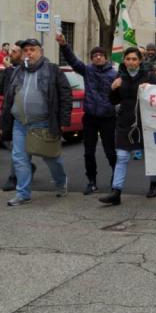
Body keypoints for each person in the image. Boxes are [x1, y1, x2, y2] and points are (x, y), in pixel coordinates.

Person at [0, 38, 72, 206]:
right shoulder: (18, 71)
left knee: (51, 158)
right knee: (19, 158)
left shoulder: (52, 70)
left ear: (40, 52)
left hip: (43, 123)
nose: (29, 53)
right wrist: (4, 122)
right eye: (26, 50)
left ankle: (61, 182)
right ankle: (23, 194)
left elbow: (66, 95)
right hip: (20, 123)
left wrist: (63, 120)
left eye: (32, 50)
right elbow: (8, 98)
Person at [99, 47, 156, 205]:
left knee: (150, 155)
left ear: (140, 60)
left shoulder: (149, 76)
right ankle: (116, 191)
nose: (131, 62)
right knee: (122, 156)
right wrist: (113, 88)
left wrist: (150, 89)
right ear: (124, 60)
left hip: (145, 121)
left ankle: (154, 184)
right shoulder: (120, 76)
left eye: (134, 59)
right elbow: (113, 100)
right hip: (125, 121)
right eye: (128, 59)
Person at [57, 33, 118, 195]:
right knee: (88, 152)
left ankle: (116, 180)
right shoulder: (87, 71)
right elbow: (73, 61)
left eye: (100, 55)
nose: (98, 57)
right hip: (90, 117)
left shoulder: (114, 75)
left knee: (110, 151)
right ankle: (91, 181)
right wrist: (64, 45)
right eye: (94, 55)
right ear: (91, 59)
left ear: (106, 58)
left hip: (108, 118)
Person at [0, 43, 38, 191]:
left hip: (21, 115)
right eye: (11, 51)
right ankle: (27, 166)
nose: (10, 54)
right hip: (8, 113)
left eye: (14, 51)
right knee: (8, 143)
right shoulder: (10, 70)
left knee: (17, 148)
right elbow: (2, 90)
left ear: (22, 54)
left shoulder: (24, 70)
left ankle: (13, 177)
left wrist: (9, 69)